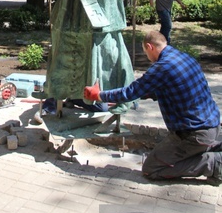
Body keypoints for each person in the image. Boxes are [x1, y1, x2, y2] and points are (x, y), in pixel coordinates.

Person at [84, 31, 222, 183]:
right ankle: (212, 147)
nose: (148, 58)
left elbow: (131, 91)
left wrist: (99, 95)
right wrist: (132, 97)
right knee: (185, 149)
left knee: (152, 170)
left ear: (149, 47)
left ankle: (214, 164)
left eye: (145, 52)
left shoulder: (162, 67)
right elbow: (166, 88)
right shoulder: (185, 57)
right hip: (212, 126)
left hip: (193, 134)